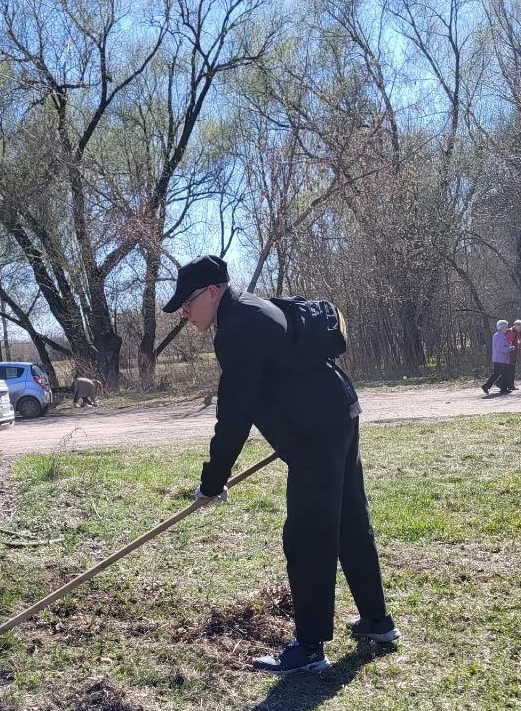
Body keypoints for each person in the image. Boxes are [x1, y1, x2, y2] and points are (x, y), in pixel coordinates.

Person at [162, 254, 398, 674]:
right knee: (349, 521)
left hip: (316, 433)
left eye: (187, 302)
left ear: (212, 292)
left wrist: (213, 480)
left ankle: (309, 648)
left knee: (307, 535)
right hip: (339, 412)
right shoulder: (251, 309)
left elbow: (234, 414)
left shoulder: (237, 328)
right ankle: (378, 623)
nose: (184, 312)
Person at [481, 321, 513, 396]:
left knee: (501, 373)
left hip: (499, 358)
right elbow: (500, 348)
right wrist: (511, 348)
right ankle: (488, 386)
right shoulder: (500, 336)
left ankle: (502, 388)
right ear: (502, 327)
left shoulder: (498, 335)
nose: (507, 328)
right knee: (500, 373)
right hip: (500, 358)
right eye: (506, 327)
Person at [506, 319, 521, 390]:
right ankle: (508, 385)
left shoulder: (516, 333)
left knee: (512, 370)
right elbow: (508, 343)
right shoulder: (512, 332)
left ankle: (510, 385)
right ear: (516, 325)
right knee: (511, 370)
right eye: (520, 327)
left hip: (513, 354)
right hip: (510, 355)